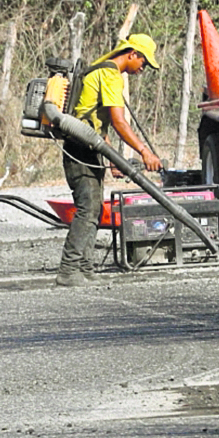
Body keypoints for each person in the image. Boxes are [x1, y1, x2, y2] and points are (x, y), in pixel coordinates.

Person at [57, 33, 164, 287]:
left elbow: (98, 122)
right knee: (87, 209)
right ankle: (68, 270)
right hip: (79, 149)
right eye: (143, 63)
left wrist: (112, 157)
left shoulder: (104, 72)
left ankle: (85, 268)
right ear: (132, 54)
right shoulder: (110, 75)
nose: (142, 69)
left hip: (89, 148)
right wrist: (144, 152)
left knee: (94, 209)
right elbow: (118, 122)